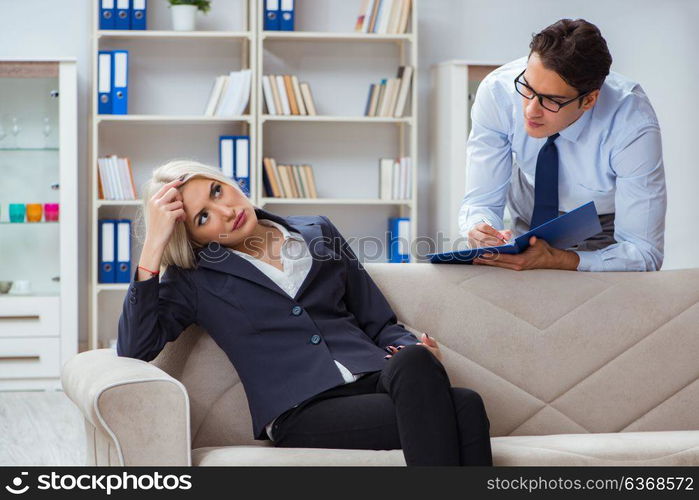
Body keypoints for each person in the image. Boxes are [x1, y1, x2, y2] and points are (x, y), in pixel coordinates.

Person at [117, 160, 493, 466]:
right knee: (464, 408)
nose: (225, 211)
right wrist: (154, 246)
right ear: (194, 237)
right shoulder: (193, 279)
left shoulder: (318, 231)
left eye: (217, 191)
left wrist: (415, 347)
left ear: (228, 182)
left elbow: (378, 320)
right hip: (303, 409)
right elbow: (137, 346)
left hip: (372, 377)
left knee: (419, 362)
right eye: (203, 217)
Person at [459, 18, 666, 272]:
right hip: (529, 201)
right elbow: (481, 201)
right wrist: (481, 229)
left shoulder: (632, 123)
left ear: (589, 100)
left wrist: (564, 260)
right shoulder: (497, 92)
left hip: (599, 220)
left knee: (589, 300)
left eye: (552, 100)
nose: (531, 111)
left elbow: (645, 252)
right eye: (528, 87)